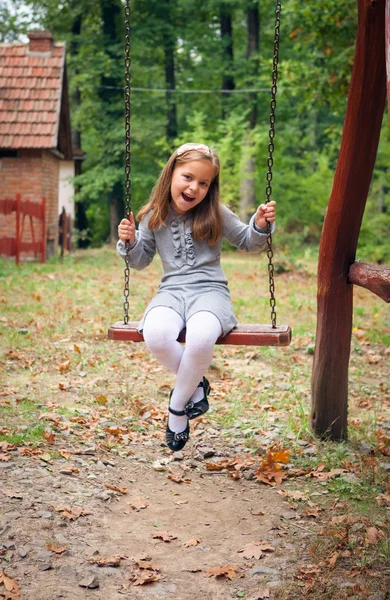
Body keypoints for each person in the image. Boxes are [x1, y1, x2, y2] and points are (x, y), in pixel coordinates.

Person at [117, 142, 276, 452]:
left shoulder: (216, 212)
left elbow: (247, 241)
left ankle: (177, 408)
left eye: (204, 183)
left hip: (210, 292)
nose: (195, 187)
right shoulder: (152, 217)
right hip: (172, 292)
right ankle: (196, 384)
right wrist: (130, 242)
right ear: (171, 175)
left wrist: (258, 225)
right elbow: (140, 261)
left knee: (202, 337)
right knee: (157, 334)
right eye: (188, 177)